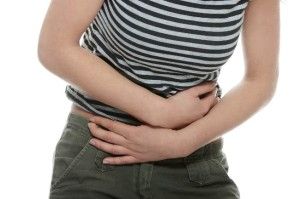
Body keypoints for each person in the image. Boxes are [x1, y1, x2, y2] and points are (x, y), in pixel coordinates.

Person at [37, 0, 279, 198]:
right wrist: (159, 111)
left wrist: (181, 142)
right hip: (101, 149)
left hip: (193, 163)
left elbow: (260, 81)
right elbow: (55, 47)